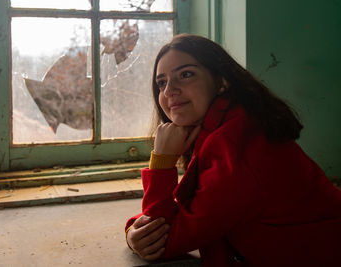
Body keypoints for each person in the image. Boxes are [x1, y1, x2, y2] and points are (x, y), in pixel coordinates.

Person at [125, 34, 341, 267]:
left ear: (221, 81)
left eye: (185, 75)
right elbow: (196, 210)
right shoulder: (226, 124)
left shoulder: (233, 145)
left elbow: (166, 240)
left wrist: (163, 161)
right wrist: (133, 231)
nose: (169, 91)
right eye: (161, 82)